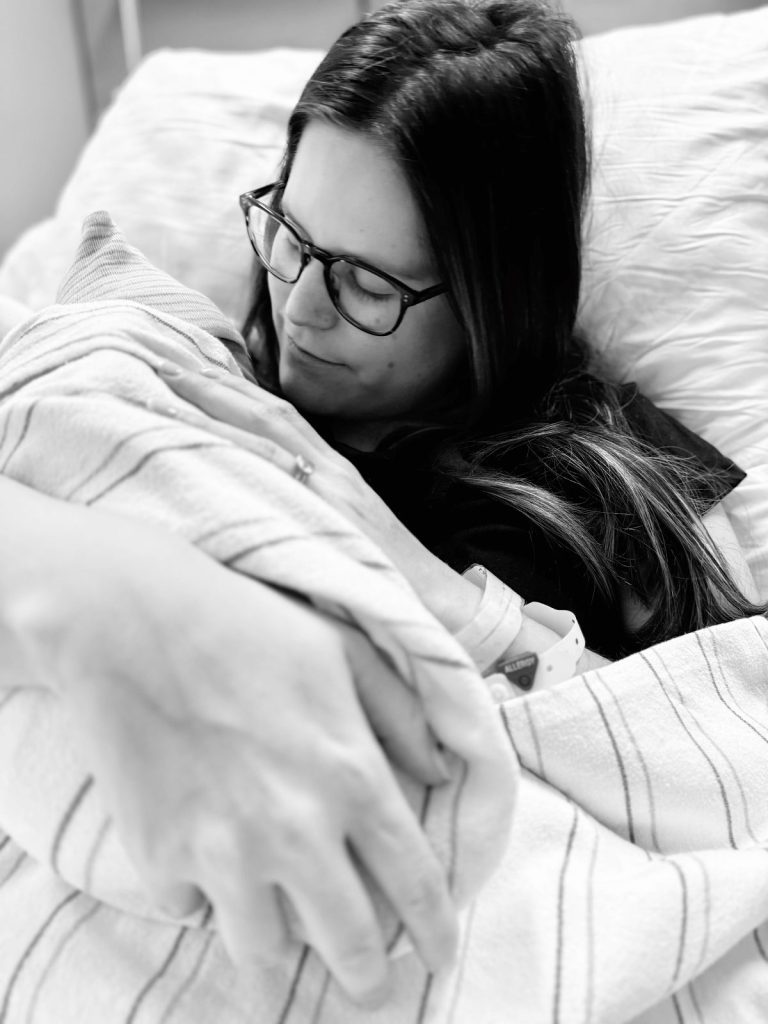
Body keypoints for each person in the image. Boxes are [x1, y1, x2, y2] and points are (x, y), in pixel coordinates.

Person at [0, 0, 764, 1013]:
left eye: (365, 281)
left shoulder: (606, 479)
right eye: (291, 236)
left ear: (492, 290)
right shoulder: (191, 376)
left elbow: (709, 749)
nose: (302, 306)